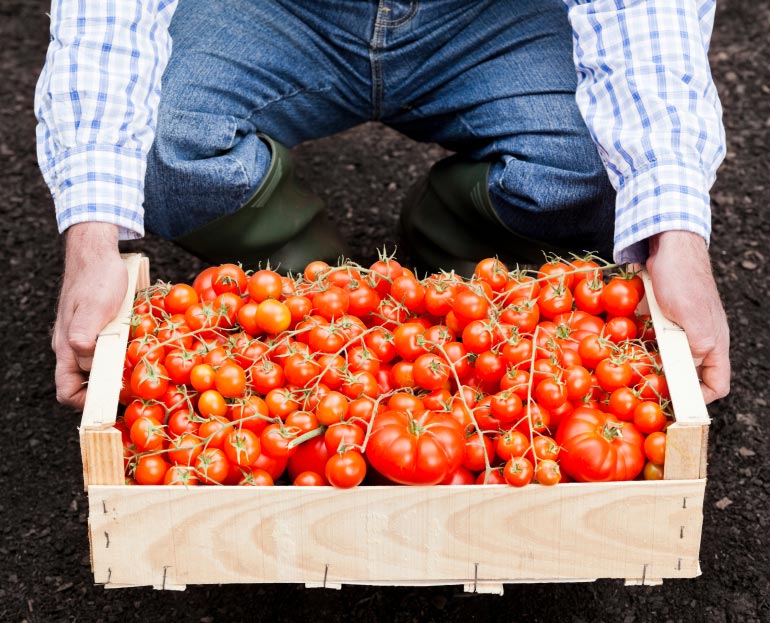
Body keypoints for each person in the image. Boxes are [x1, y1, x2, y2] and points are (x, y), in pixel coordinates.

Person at [36, 0, 730, 410]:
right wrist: (92, 238)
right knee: (159, 152)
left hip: (495, 14)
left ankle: (451, 259)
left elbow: (644, 13)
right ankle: (316, 310)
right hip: (275, 11)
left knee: (597, 169)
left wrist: (677, 232)